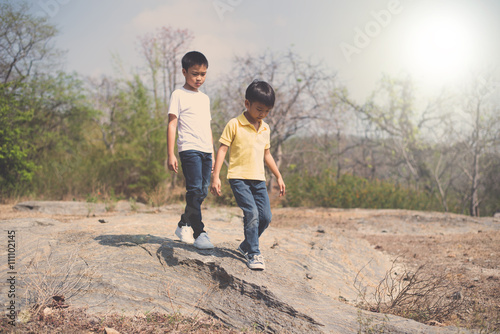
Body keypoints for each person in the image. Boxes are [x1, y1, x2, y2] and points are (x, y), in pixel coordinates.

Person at [210, 80, 285, 270]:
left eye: (267, 111)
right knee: (251, 213)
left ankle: (245, 245)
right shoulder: (234, 124)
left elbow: (267, 155)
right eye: (259, 109)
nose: (263, 114)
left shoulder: (265, 128)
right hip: (238, 177)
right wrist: (216, 176)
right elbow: (222, 149)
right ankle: (254, 253)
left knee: (266, 217)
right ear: (247, 104)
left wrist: (278, 175)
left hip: (259, 179)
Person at [167, 51, 214, 249]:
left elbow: (208, 126)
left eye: (203, 74)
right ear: (184, 72)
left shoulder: (205, 99)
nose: (199, 78)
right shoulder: (178, 95)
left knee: (202, 191)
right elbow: (172, 124)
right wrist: (171, 154)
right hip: (189, 149)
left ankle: (183, 223)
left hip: (206, 150)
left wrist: (212, 154)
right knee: (194, 189)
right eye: (195, 73)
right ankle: (199, 232)